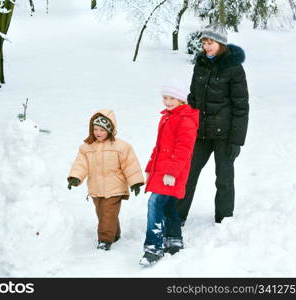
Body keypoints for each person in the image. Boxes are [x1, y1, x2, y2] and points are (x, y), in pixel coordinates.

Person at [176, 23, 249, 226]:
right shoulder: (200, 64)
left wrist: (237, 141)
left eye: (211, 42)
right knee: (187, 174)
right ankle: (177, 216)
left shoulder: (234, 68)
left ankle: (223, 220)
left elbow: (241, 106)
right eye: (204, 42)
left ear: (221, 44)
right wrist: (187, 125)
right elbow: (193, 98)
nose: (207, 47)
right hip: (201, 132)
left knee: (224, 178)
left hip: (225, 135)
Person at [67, 109, 144, 251]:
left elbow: (130, 164)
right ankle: (115, 234)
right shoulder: (87, 147)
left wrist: (135, 182)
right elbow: (81, 164)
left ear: (110, 129)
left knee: (107, 214)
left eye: (102, 129)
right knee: (103, 213)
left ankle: (104, 240)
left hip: (114, 188)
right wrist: (75, 177)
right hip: (96, 189)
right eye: (95, 129)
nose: (98, 132)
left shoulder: (121, 146)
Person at [139, 83, 199, 266]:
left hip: (173, 172)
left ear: (181, 99)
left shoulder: (185, 119)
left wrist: (172, 172)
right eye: (165, 97)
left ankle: (153, 247)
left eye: (172, 98)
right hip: (162, 170)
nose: (167, 101)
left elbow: (184, 149)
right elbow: (159, 147)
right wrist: (150, 167)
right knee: (168, 205)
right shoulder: (167, 117)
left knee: (154, 203)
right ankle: (173, 239)